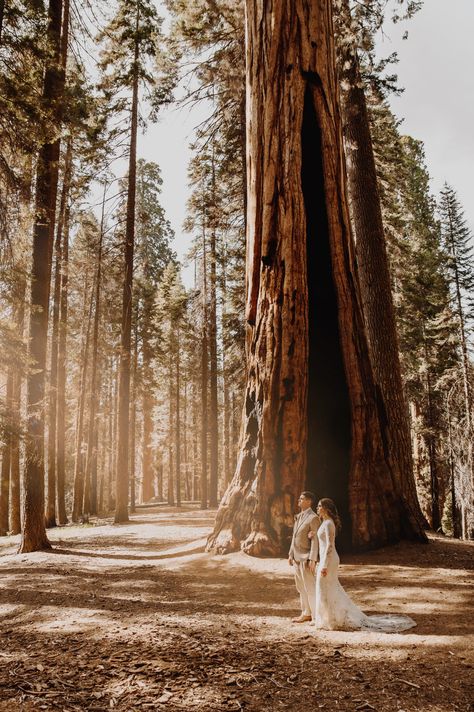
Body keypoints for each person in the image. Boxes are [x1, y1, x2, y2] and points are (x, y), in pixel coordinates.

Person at [313, 498, 416, 632]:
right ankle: (327, 619)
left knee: (326, 587)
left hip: (329, 560)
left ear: (327, 508)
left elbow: (330, 546)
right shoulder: (324, 522)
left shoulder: (328, 524)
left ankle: (330, 620)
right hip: (326, 559)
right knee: (326, 587)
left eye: (320, 506)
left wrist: (325, 565)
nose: (317, 508)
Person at [288, 491, 321, 623]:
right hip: (296, 557)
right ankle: (306, 612)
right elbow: (294, 536)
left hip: (306, 557)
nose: (298, 501)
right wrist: (290, 554)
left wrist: (312, 559)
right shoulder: (298, 517)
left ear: (309, 501)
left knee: (310, 587)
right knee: (300, 587)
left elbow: (315, 540)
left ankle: (315, 616)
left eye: (301, 499)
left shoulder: (313, 518)